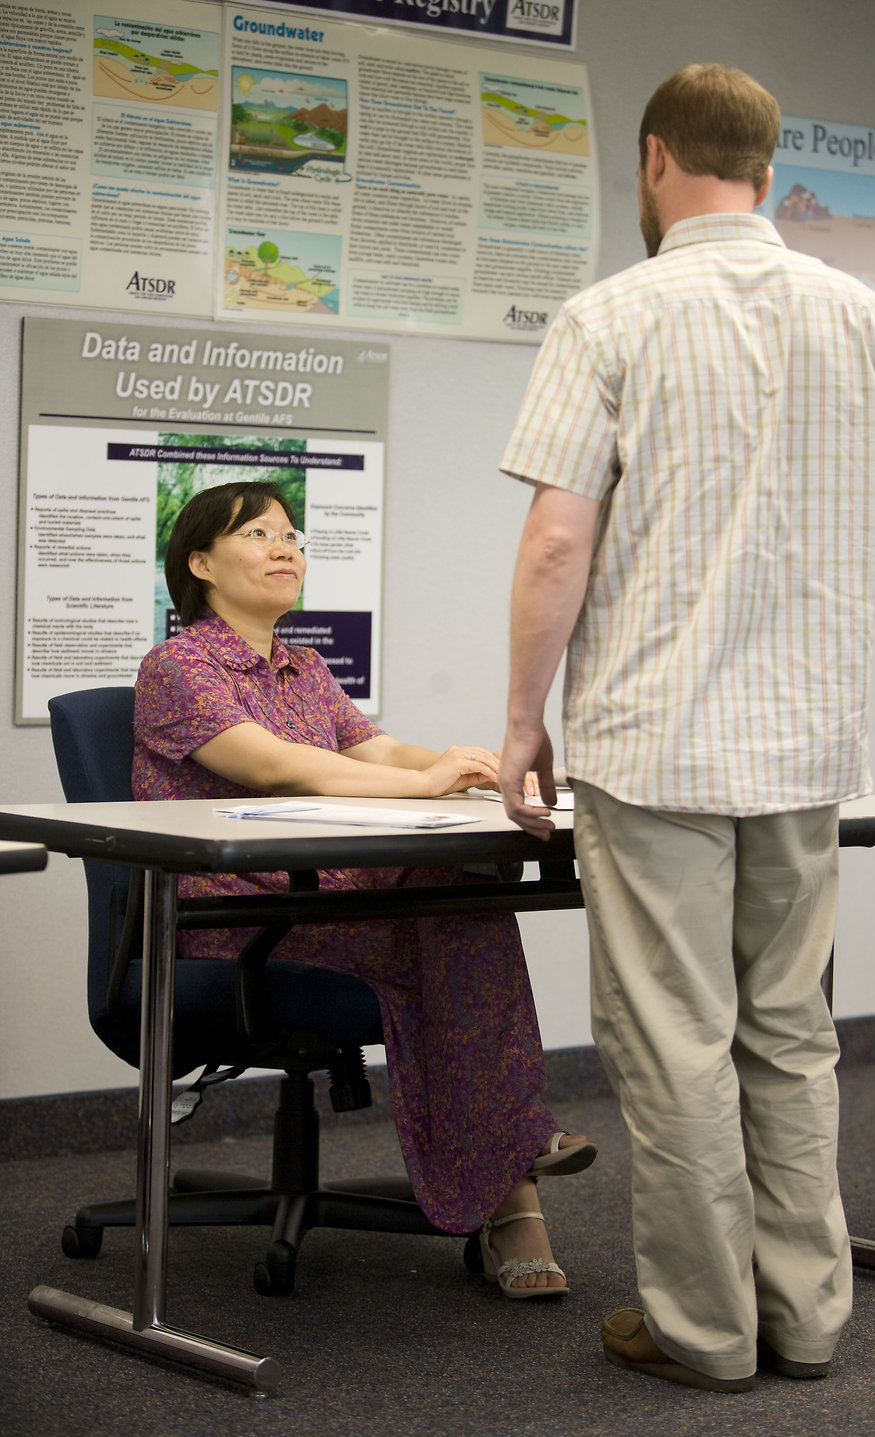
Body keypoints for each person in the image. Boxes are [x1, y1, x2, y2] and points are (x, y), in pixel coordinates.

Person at [497, 63, 875, 1385]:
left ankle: (701, 1333)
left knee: (674, 1040)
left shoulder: (609, 315)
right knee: (789, 1034)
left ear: (651, 159)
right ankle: (806, 1319)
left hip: (654, 741)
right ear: (765, 161)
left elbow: (558, 544)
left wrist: (521, 719)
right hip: (803, 745)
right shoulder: (861, 316)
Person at [133, 479, 597, 1298]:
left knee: (453, 892)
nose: (287, 548)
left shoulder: (302, 666)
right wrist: (427, 789)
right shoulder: (177, 665)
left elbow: (373, 750)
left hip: (321, 903)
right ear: (199, 562)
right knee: (448, 914)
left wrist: (473, 765)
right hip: (237, 921)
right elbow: (273, 764)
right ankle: (517, 1165)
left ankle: (513, 1172)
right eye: (259, 535)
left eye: (293, 535)